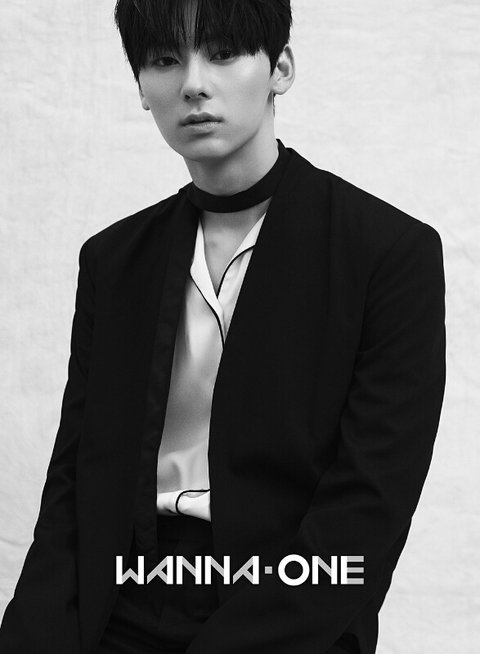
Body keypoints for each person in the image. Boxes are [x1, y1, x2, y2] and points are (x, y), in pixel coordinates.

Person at [0, 0, 446, 653]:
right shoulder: (114, 260)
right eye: (164, 60)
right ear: (141, 88)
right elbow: (76, 478)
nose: (192, 83)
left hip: (287, 612)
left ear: (280, 68)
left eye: (223, 53)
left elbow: (368, 506)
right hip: (121, 601)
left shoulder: (387, 253)